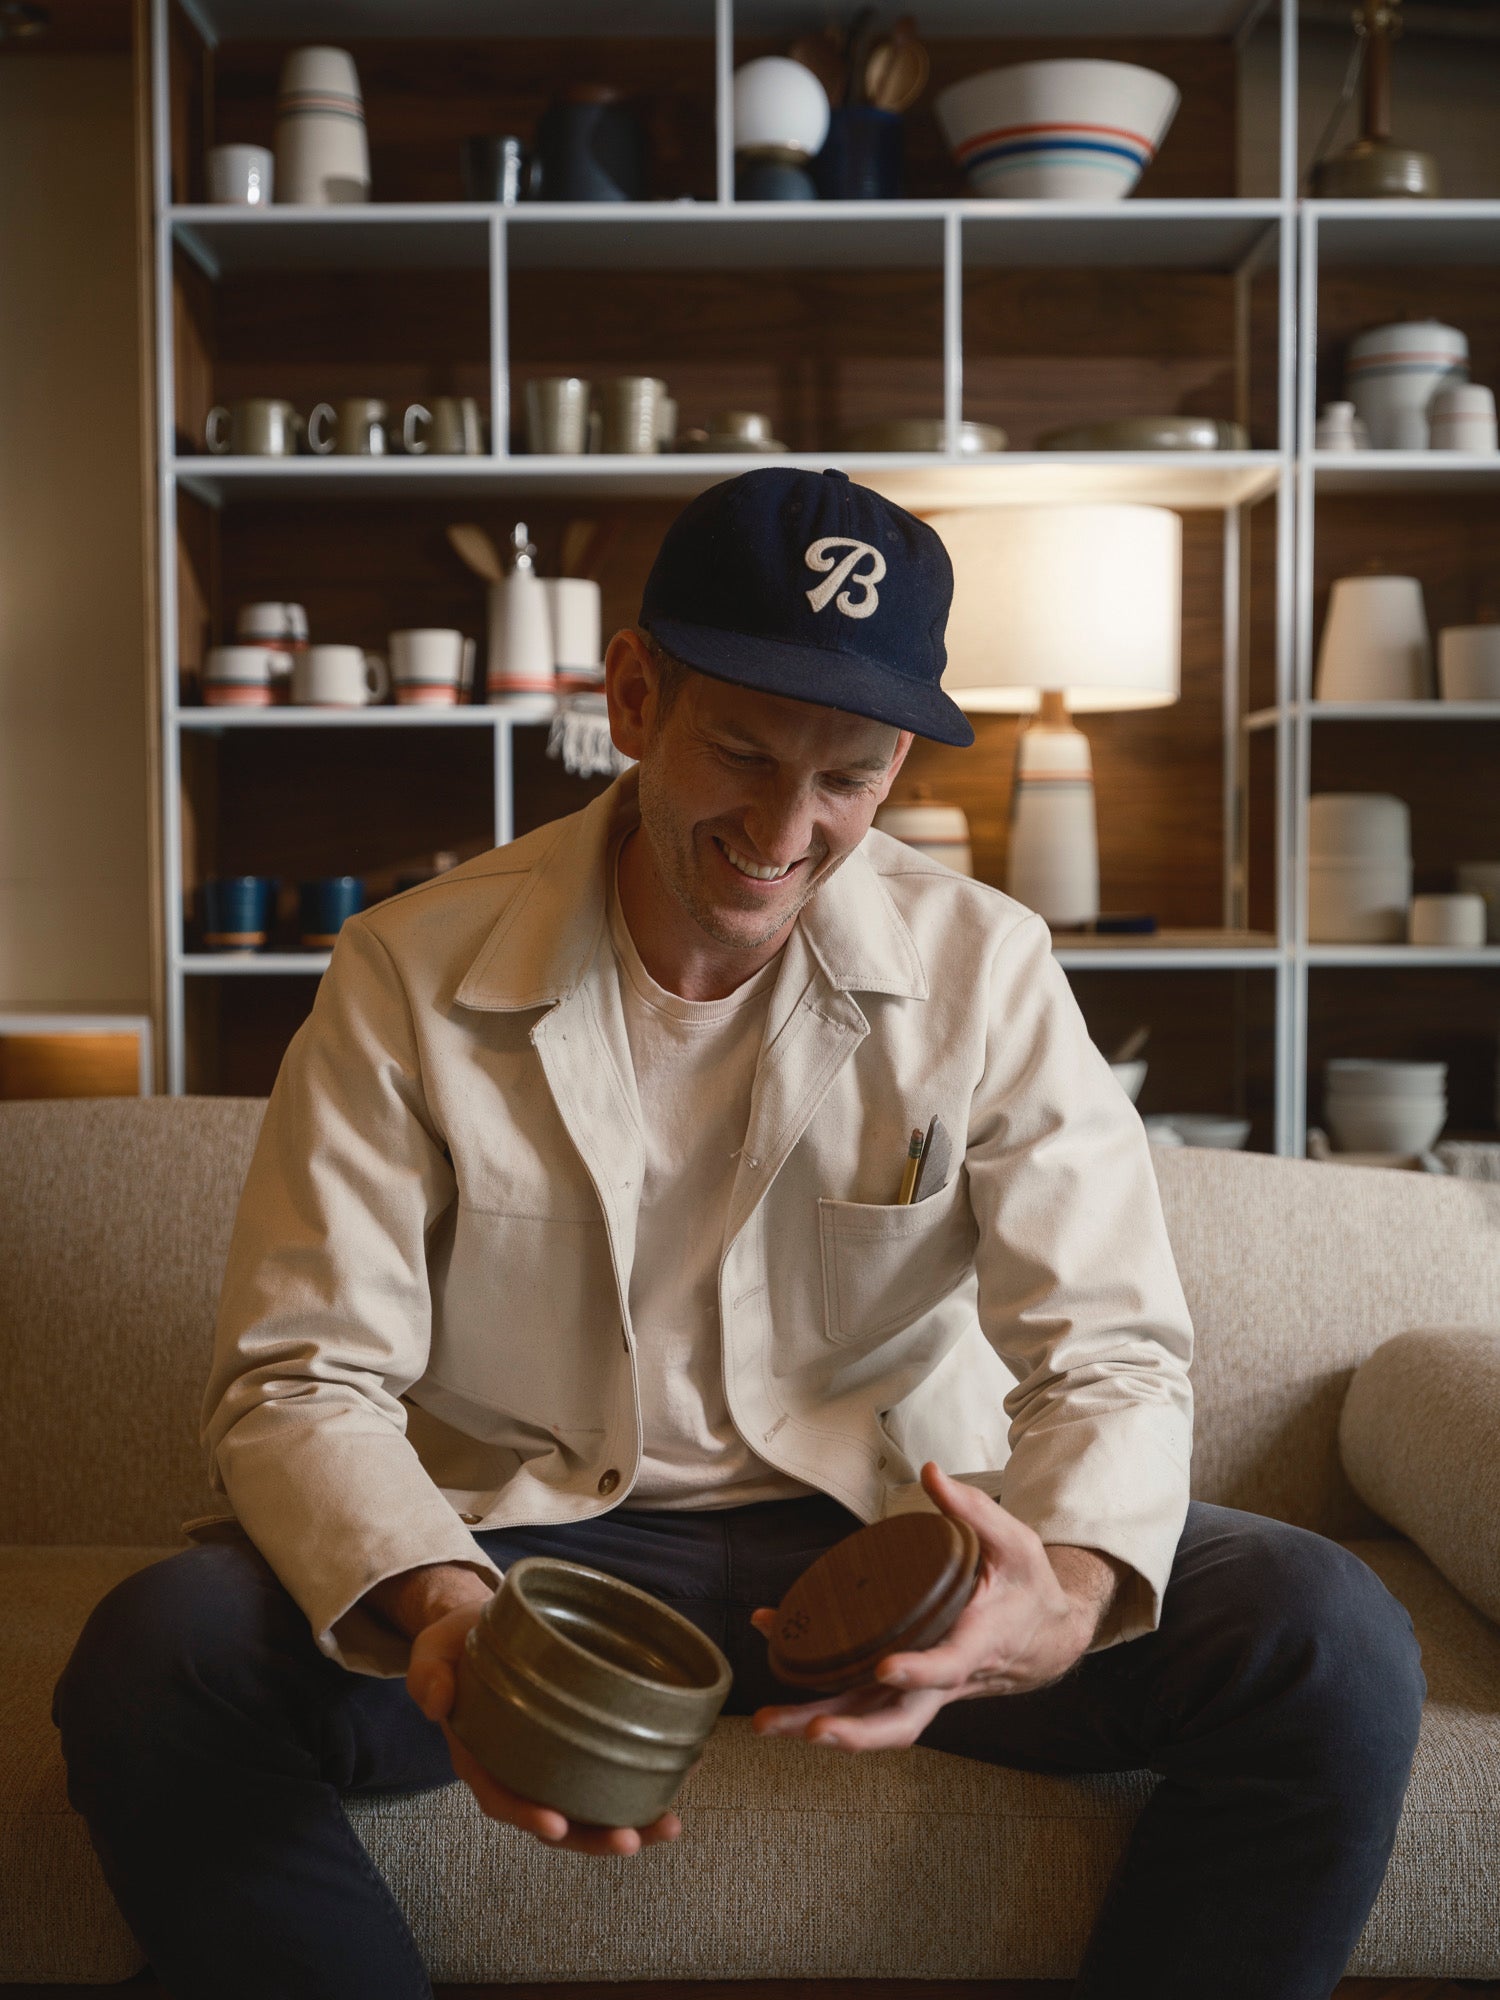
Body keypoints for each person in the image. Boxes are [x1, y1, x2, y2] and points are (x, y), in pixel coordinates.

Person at [53, 467, 1425, 2000]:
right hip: (527, 1557)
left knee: (1329, 1638)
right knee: (163, 1656)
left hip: (889, 1544)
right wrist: (447, 1612)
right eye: (744, 753)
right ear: (635, 697)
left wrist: (1070, 1592)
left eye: (849, 777)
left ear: (900, 761)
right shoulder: (405, 972)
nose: (784, 830)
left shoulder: (987, 968)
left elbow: (1110, 1347)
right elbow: (302, 1377)